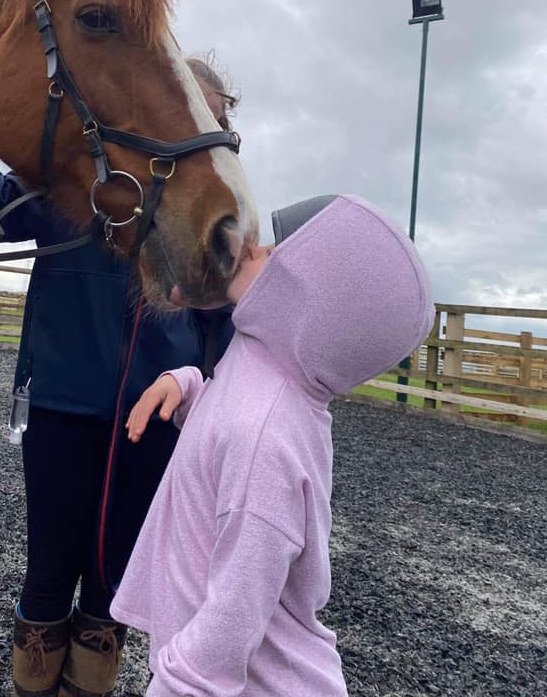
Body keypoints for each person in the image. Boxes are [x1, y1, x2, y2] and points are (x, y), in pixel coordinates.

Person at [0, 55, 239, 697]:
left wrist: (192, 380)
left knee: (115, 577)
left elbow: (226, 340)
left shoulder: (212, 219)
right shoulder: (73, 195)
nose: (211, 132)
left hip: (156, 421)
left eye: (220, 122)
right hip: (62, 408)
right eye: (200, 115)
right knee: (48, 569)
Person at [111, 194, 435, 697]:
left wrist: (174, 684)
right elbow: (230, 405)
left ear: (309, 298)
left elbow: (230, 621)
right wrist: (189, 385)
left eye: (271, 252)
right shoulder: (267, 370)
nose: (251, 247)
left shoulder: (264, 438)